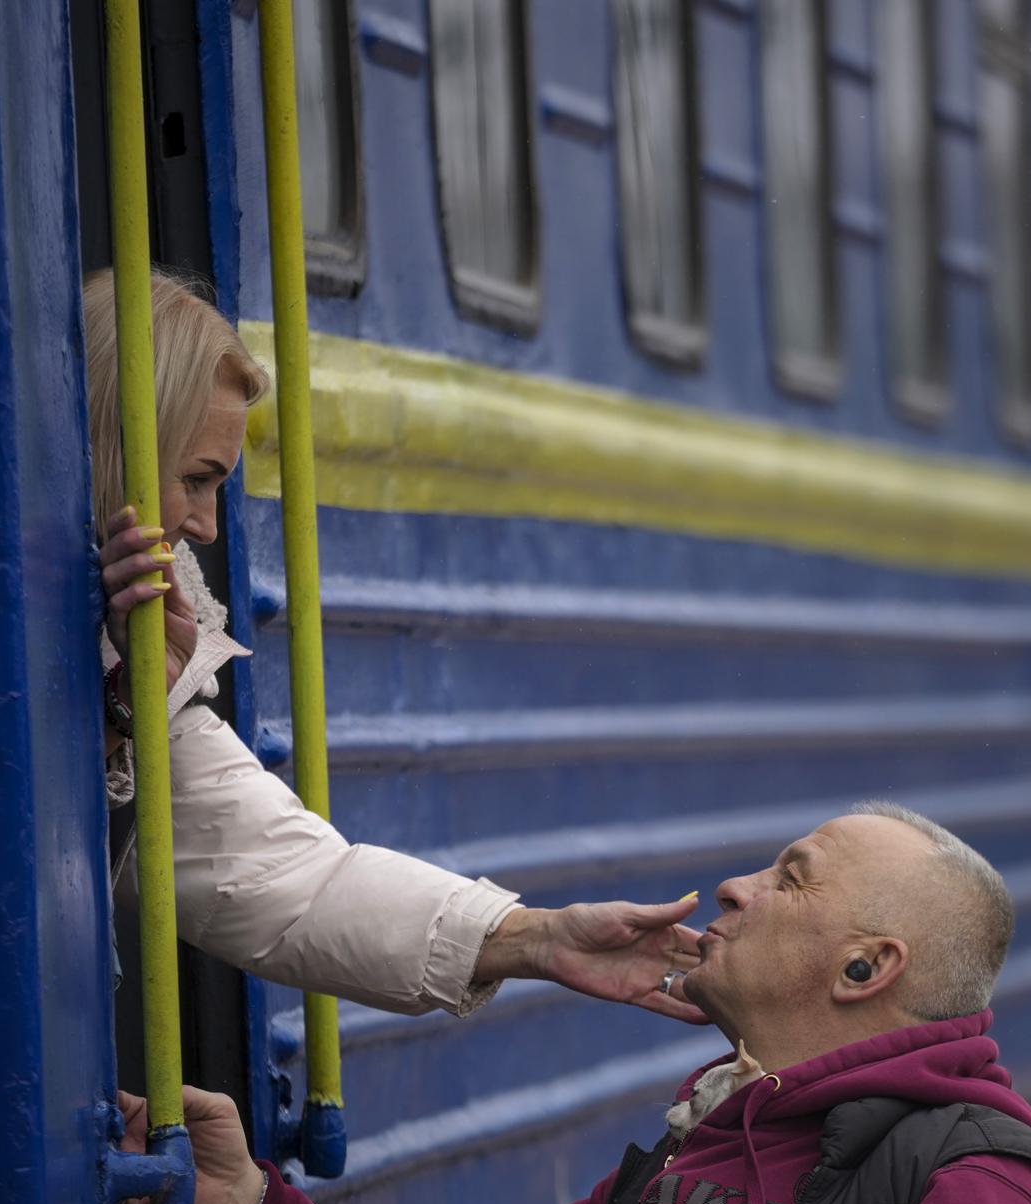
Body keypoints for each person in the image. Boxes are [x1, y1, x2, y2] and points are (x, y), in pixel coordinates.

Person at [124, 802, 1031, 1204]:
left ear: (865, 966)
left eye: (789, 877)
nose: (733, 887)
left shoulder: (984, 1191)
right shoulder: (690, 1155)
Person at [85, 268, 706, 1021]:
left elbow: (290, 879)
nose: (208, 526)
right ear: (110, 441)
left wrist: (538, 939)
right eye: (196, 478)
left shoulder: (149, 627)